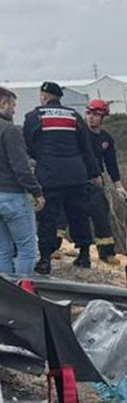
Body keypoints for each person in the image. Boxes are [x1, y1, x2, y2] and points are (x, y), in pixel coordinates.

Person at [23, 82, 97, 274]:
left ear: (44, 96)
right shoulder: (74, 116)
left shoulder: (34, 116)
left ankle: (45, 260)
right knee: (79, 215)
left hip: (50, 176)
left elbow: (29, 145)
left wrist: (43, 157)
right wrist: (94, 173)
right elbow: (86, 147)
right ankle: (84, 255)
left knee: (48, 218)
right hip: (76, 175)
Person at [0, 87, 44, 275]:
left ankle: (5, 291)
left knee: (3, 250)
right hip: (13, 196)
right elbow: (21, 167)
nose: (14, 110)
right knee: (26, 248)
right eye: (12, 105)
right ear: (3, 103)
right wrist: (36, 191)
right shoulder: (10, 130)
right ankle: (24, 290)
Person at [84, 99, 124, 263]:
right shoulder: (80, 134)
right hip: (78, 179)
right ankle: (76, 251)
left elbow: (111, 163)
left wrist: (118, 185)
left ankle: (106, 252)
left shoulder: (106, 139)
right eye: (89, 113)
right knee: (72, 215)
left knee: (101, 214)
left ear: (103, 117)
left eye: (95, 115)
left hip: (97, 183)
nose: (91, 117)